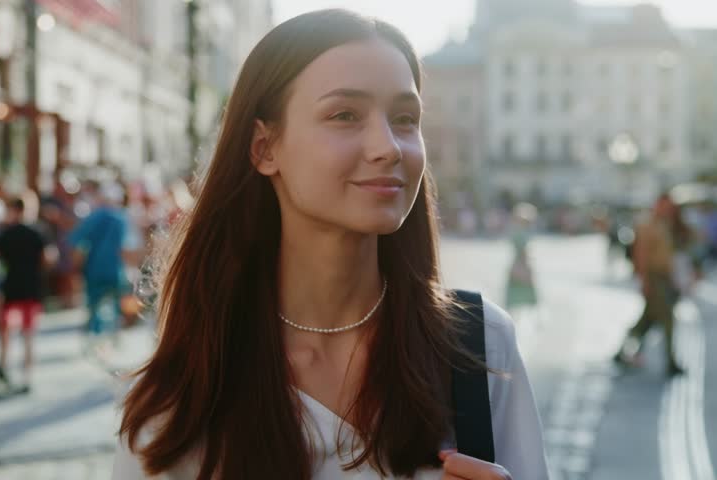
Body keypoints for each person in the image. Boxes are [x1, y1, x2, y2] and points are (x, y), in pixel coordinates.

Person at [113, 10, 547, 480]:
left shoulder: (478, 347)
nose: (388, 147)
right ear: (264, 148)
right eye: (344, 115)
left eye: (405, 118)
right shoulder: (189, 387)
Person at [614, 193, 692, 376]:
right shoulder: (647, 224)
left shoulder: (664, 224)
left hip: (664, 279)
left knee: (645, 323)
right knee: (667, 320)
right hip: (654, 279)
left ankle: (619, 353)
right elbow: (640, 255)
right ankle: (671, 363)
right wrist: (644, 281)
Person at [68, 182, 141, 352]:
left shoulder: (94, 217)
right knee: (116, 304)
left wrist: (76, 265)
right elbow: (128, 248)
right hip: (116, 270)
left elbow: (76, 242)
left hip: (94, 269)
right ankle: (114, 338)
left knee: (94, 305)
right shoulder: (122, 219)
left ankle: (96, 340)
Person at [0, 197, 48, 394]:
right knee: (28, 335)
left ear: (13, 211)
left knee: (5, 332)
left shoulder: (4, 234)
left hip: (10, 289)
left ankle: (3, 369)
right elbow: (48, 258)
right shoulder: (37, 232)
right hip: (31, 289)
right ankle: (26, 377)